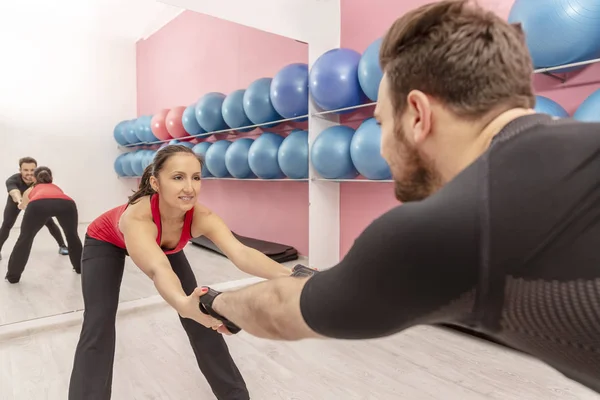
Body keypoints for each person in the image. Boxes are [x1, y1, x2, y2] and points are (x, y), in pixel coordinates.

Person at [196, 0, 600, 395]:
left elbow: (281, 310)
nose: (383, 148)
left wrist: (216, 304)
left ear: (418, 114)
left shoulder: (450, 226)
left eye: (381, 123)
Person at [68, 144, 293, 400]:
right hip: (106, 240)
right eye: (178, 177)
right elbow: (158, 269)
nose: (189, 188)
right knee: (99, 321)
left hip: (163, 244)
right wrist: (181, 303)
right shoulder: (137, 219)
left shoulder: (200, 215)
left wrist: (291, 276)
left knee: (201, 319)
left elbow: (240, 253)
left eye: (196, 177)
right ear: (155, 182)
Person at [4, 167, 83, 283]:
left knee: (25, 238)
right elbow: (53, 200)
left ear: (34, 179)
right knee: (72, 236)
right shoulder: (56, 187)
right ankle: (80, 268)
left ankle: (13, 277)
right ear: (51, 178)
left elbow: (23, 206)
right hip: (67, 203)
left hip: (38, 204)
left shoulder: (31, 189)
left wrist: (22, 204)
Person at [0, 156, 69, 260]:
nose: (29, 173)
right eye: (26, 170)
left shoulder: (40, 179)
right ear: (20, 170)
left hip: (35, 202)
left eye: (32, 170)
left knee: (50, 222)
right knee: (7, 224)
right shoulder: (12, 180)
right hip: (16, 202)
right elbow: (14, 192)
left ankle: (62, 246)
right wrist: (20, 201)